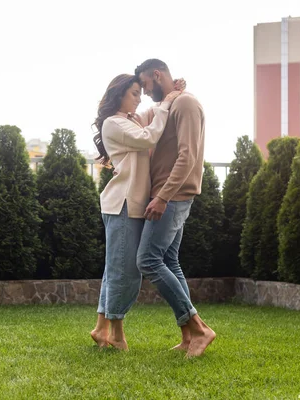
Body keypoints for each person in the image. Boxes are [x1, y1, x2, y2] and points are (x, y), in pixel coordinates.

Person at [90, 73, 182, 350]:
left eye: (140, 92)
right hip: (123, 205)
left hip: (129, 204)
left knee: (115, 268)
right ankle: (116, 335)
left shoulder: (128, 119)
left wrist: (170, 92)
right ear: (119, 95)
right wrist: (166, 102)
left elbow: (149, 114)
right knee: (125, 271)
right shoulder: (113, 123)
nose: (138, 97)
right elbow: (149, 137)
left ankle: (100, 329)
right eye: (133, 93)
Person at [134, 59, 216, 358]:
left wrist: (164, 196)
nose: (144, 91)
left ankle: (199, 329)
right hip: (169, 194)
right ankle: (188, 336)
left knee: (148, 259)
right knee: (169, 259)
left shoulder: (186, 105)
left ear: (157, 75)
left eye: (145, 84)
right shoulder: (170, 105)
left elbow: (188, 156)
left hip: (174, 196)